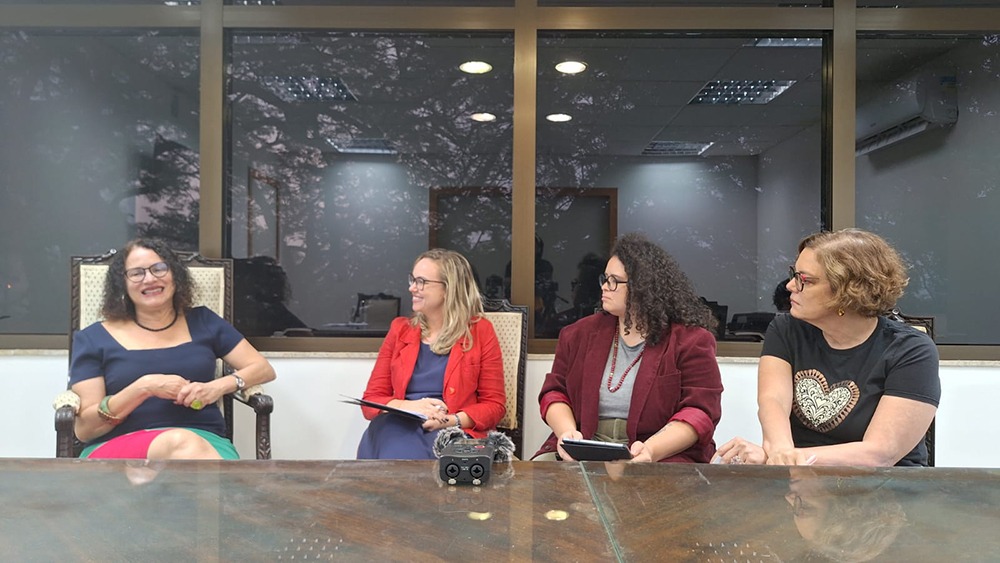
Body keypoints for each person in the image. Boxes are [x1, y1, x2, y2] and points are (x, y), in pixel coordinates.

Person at [715, 228, 940, 467]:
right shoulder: (786, 329)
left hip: (885, 490)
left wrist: (785, 459)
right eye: (794, 275)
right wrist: (779, 453)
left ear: (848, 291)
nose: (791, 286)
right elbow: (773, 401)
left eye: (805, 280)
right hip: (804, 481)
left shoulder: (911, 350)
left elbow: (880, 454)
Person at [69, 239, 276, 459]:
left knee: (187, 445)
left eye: (159, 268)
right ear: (123, 284)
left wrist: (217, 387)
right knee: (181, 443)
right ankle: (228, 492)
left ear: (175, 275)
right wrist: (144, 387)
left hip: (204, 440)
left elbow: (263, 368)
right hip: (119, 445)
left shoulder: (204, 321)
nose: (149, 279)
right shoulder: (93, 338)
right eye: (137, 273)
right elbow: (85, 430)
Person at [533, 232, 723, 463]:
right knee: (538, 481)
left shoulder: (691, 340)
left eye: (614, 281)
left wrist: (651, 450)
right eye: (604, 279)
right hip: (584, 446)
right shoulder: (577, 334)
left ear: (644, 287)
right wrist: (566, 434)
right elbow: (554, 392)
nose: (604, 287)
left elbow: (700, 411)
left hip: (659, 451)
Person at [357, 248, 506, 459]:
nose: (411, 288)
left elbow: (495, 406)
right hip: (396, 425)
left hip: (451, 430)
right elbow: (371, 400)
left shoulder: (480, 331)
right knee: (393, 447)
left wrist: (449, 420)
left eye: (421, 282)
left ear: (448, 289)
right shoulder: (400, 330)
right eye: (412, 280)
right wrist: (409, 406)